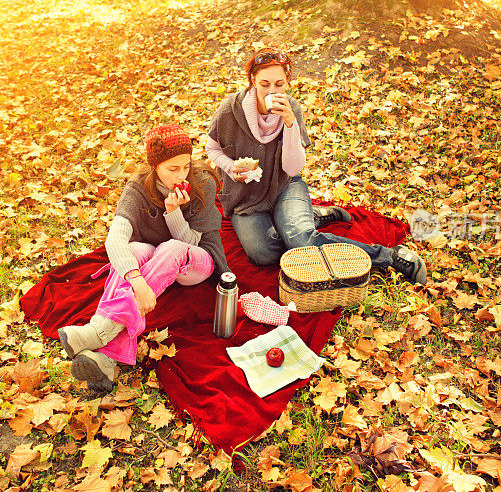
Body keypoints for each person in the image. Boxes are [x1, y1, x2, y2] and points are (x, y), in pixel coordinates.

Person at [205, 47, 427, 284]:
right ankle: (310, 218)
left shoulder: (293, 110)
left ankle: (389, 256)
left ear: (287, 82)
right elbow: (212, 148)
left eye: (279, 84)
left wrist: (290, 125)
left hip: (284, 185)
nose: (272, 91)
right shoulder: (231, 109)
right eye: (265, 84)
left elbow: (292, 170)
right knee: (263, 253)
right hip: (246, 196)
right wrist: (230, 168)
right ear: (252, 81)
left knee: (301, 240)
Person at [58, 124, 230, 390]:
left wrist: (174, 212)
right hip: (155, 257)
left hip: (196, 259)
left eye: (185, 166)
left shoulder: (203, 182)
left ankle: (97, 331)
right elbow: (115, 238)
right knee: (134, 250)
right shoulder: (139, 187)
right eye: (172, 169)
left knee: (171, 247)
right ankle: (105, 359)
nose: (181, 174)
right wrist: (138, 282)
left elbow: (189, 242)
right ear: (155, 166)